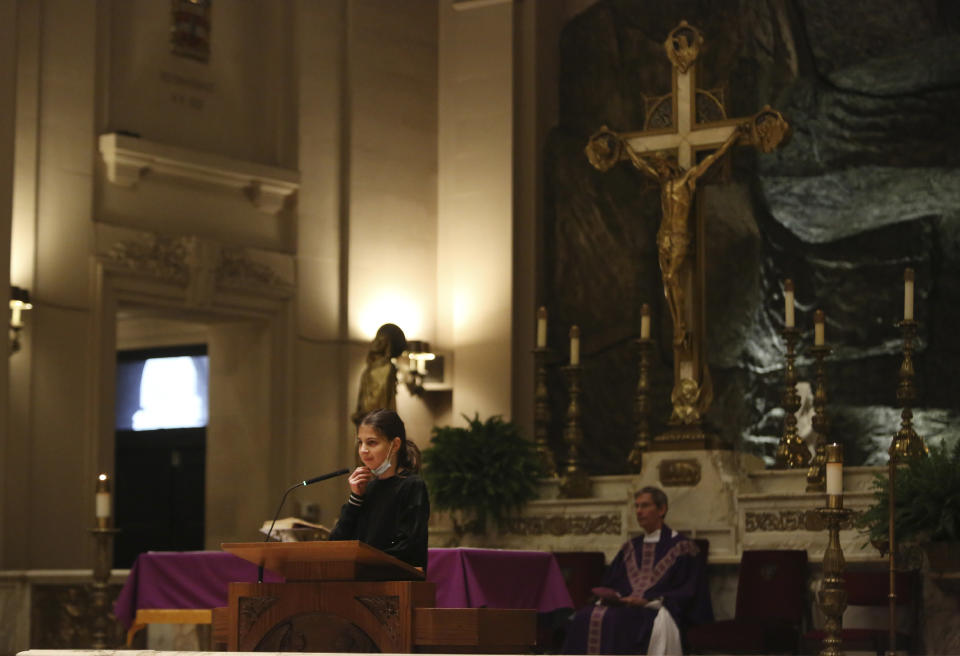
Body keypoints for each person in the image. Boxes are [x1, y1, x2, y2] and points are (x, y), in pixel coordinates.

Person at [562, 486, 712, 655]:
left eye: (645, 506)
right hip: (624, 606)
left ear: (662, 509)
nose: (639, 511)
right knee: (584, 616)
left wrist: (648, 602)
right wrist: (615, 596)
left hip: (658, 610)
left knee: (617, 621)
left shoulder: (684, 547)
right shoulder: (630, 547)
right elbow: (612, 581)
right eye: (637, 506)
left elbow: (689, 590)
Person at [328, 408, 430, 569]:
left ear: (395, 444)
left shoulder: (412, 485)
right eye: (360, 442)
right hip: (362, 580)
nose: (363, 450)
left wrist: (364, 563)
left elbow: (408, 545)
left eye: (372, 442)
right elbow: (336, 544)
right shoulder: (366, 489)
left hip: (395, 583)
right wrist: (355, 499)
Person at [351, 323, 407, 429]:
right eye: (377, 338)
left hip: (375, 425)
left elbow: (375, 402)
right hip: (367, 424)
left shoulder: (386, 368)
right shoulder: (370, 369)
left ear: (387, 344)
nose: (376, 342)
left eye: (381, 339)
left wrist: (364, 415)